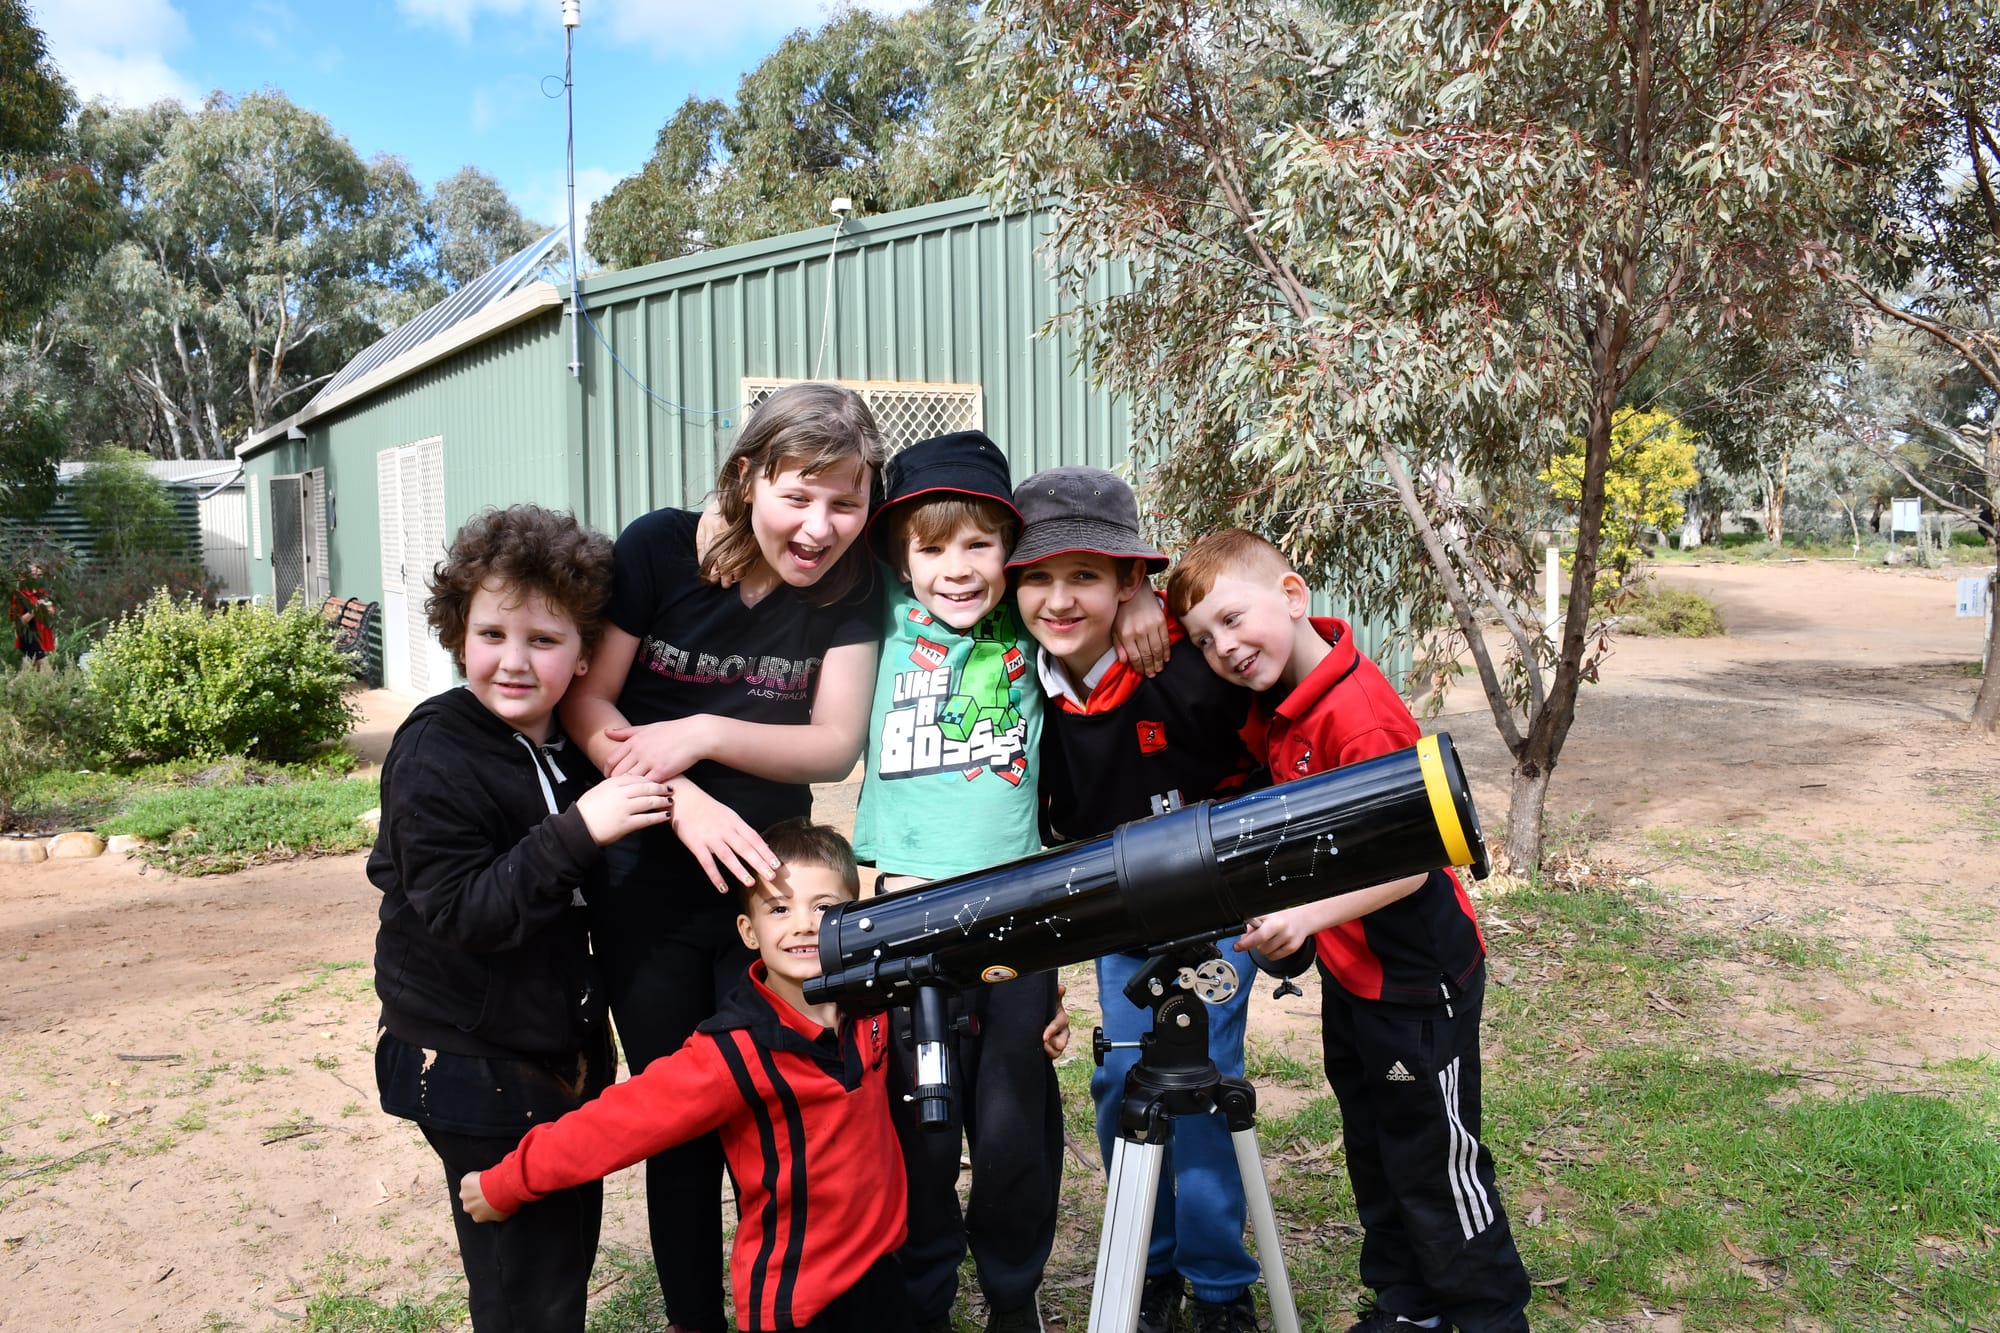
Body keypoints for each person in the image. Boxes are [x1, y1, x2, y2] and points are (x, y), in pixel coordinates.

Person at [559, 381, 885, 1333]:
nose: (820, 526)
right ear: (747, 477)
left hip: (769, 894)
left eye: (846, 500)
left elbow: (832, 743)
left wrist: (701, 729)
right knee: (682, 1124)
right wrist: (681, 794)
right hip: (645, 892)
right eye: (799, 494)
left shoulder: (852, 582)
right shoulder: (659, 548)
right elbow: (589, 706)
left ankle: (788, 1307)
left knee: (781, 1112)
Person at [1167, 528, 1533, 1333]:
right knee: (1375, 1143)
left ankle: (1484, 1311)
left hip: (1414, 974)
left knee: (1437, 1158)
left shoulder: (1356, 714)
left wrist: (1303, 916)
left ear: (1293, 596)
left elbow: (1415, 856)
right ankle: (1408, 1305)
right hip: (1356, 971)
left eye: (1233, 619)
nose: (1222, 648)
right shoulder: (1283, 699)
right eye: (1203, 640)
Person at [369, 504, 678, 1332]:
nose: (513, 661)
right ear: (457, 634)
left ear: (584, 653)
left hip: (553, 1053)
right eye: (492, 633)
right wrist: (583, 827)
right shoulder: (436, 749)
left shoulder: (568, 748)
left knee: (562, 1260)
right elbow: (460, 909)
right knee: (525, 1290)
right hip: (474, 1062)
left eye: (544, 639)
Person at [458, 821, 915, 1333]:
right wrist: (506, 1182)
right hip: (800, 1298)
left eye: (826, 908)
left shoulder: (875, 1004)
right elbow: (617, 1125)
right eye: (779, 908)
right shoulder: (734, 1052)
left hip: (882, 1268)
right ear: (748, 931)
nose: (805, 924)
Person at [1010, 467, 1268, 1333]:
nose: (1058, 597)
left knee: (1200, 1083)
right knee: (1125, 1082)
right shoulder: (1019, 685)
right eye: (1038, 576)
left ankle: (1220, 1285)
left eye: (1086, 574)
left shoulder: (1188, 669)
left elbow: (1274, 674)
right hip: (1117, 916)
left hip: (1213, 913)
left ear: (1130, 582)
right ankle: (1147, 1271)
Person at [851, 431, 1094, 1333]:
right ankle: (922, 1294)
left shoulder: (1029, 623)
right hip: (906, 913)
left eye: (979, 544)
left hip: (1019, 915)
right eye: (931, 546)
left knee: (1012, 1125)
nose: (956, 568)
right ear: (899, 557)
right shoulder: (877, 611)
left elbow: (1100, 590)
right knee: (916, 1123)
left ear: (1012, 550)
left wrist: (1143, 596)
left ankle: (1012, 1295)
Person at [12, 563, 54, 671]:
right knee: (47, 672)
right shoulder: (20, 596)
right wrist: (35, 609)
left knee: (27, 674)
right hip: (28, 637)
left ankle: (10, 687)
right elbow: (18, 623)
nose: (37, 578)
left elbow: (50, 612)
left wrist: (48, 610)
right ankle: (55, 687)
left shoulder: (41, 593)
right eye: (33, 575)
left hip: (39, 636)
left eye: (39, 575)